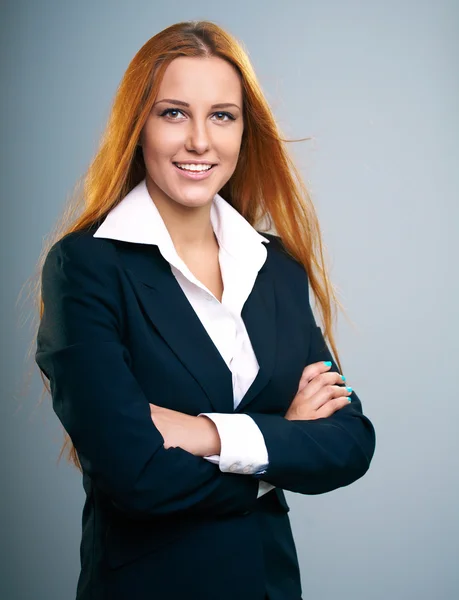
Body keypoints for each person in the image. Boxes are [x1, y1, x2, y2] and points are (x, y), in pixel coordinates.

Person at [35, 20, 376, 600]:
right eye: (173, 113)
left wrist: (203, 434)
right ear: (137, 125)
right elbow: (135, 478)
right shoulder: (85, 268)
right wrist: (282, 443)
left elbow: (349, 443)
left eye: (222, 115)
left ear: (245, 130)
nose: (200, 141)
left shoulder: (277, 268)